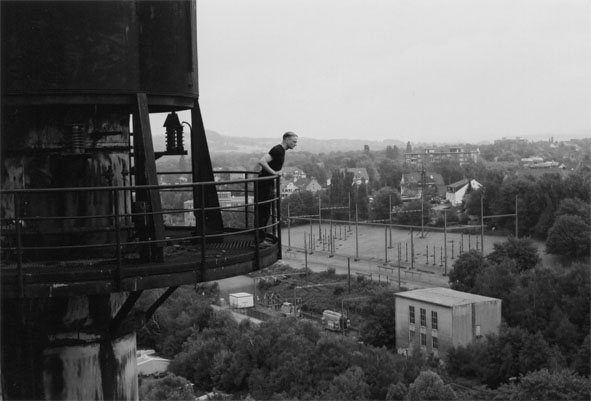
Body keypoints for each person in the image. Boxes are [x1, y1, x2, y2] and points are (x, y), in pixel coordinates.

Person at [256, 131, 298, 247]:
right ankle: (259, 241)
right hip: (264, 184)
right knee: (263, 212)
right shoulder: (277, 150)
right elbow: (262, 161)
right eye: (294, 142)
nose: (295, 144)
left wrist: (277, 172)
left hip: (267, 183)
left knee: (265, 212)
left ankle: (261, 239)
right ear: (287, 140)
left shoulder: (281, 151)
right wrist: (274, 173)